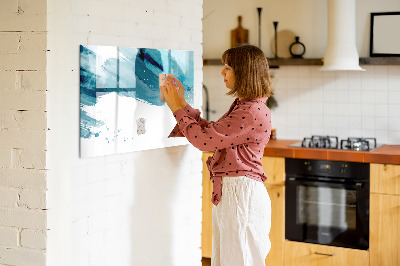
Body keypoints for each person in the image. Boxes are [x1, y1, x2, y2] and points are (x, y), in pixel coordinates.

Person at [161, 44, 273, 266]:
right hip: (236, 193)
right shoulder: (246, 106)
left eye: (228, 67)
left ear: (244, 72)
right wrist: (182, 104)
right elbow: (212, 133)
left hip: (241, 195)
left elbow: (204, 141)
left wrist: (176, 108)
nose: (222, 72)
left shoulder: (250, 111)